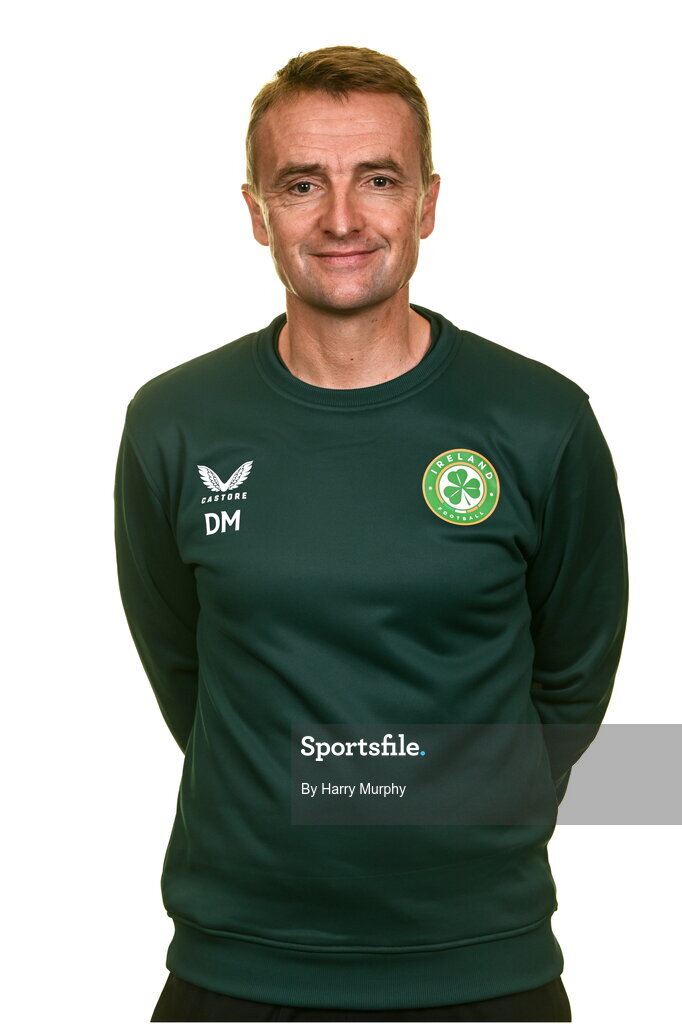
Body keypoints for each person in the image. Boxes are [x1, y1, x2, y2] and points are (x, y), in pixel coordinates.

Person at [113, 45, 628, 1023]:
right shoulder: (175, 424)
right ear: (256, 210)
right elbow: (189, 675)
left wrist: (449, 806)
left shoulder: (538, 419)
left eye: (377, 179)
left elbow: (571, 678)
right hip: (241, 963)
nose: (341, 217)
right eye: (301, 183)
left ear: (427, 202)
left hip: (481, 965)